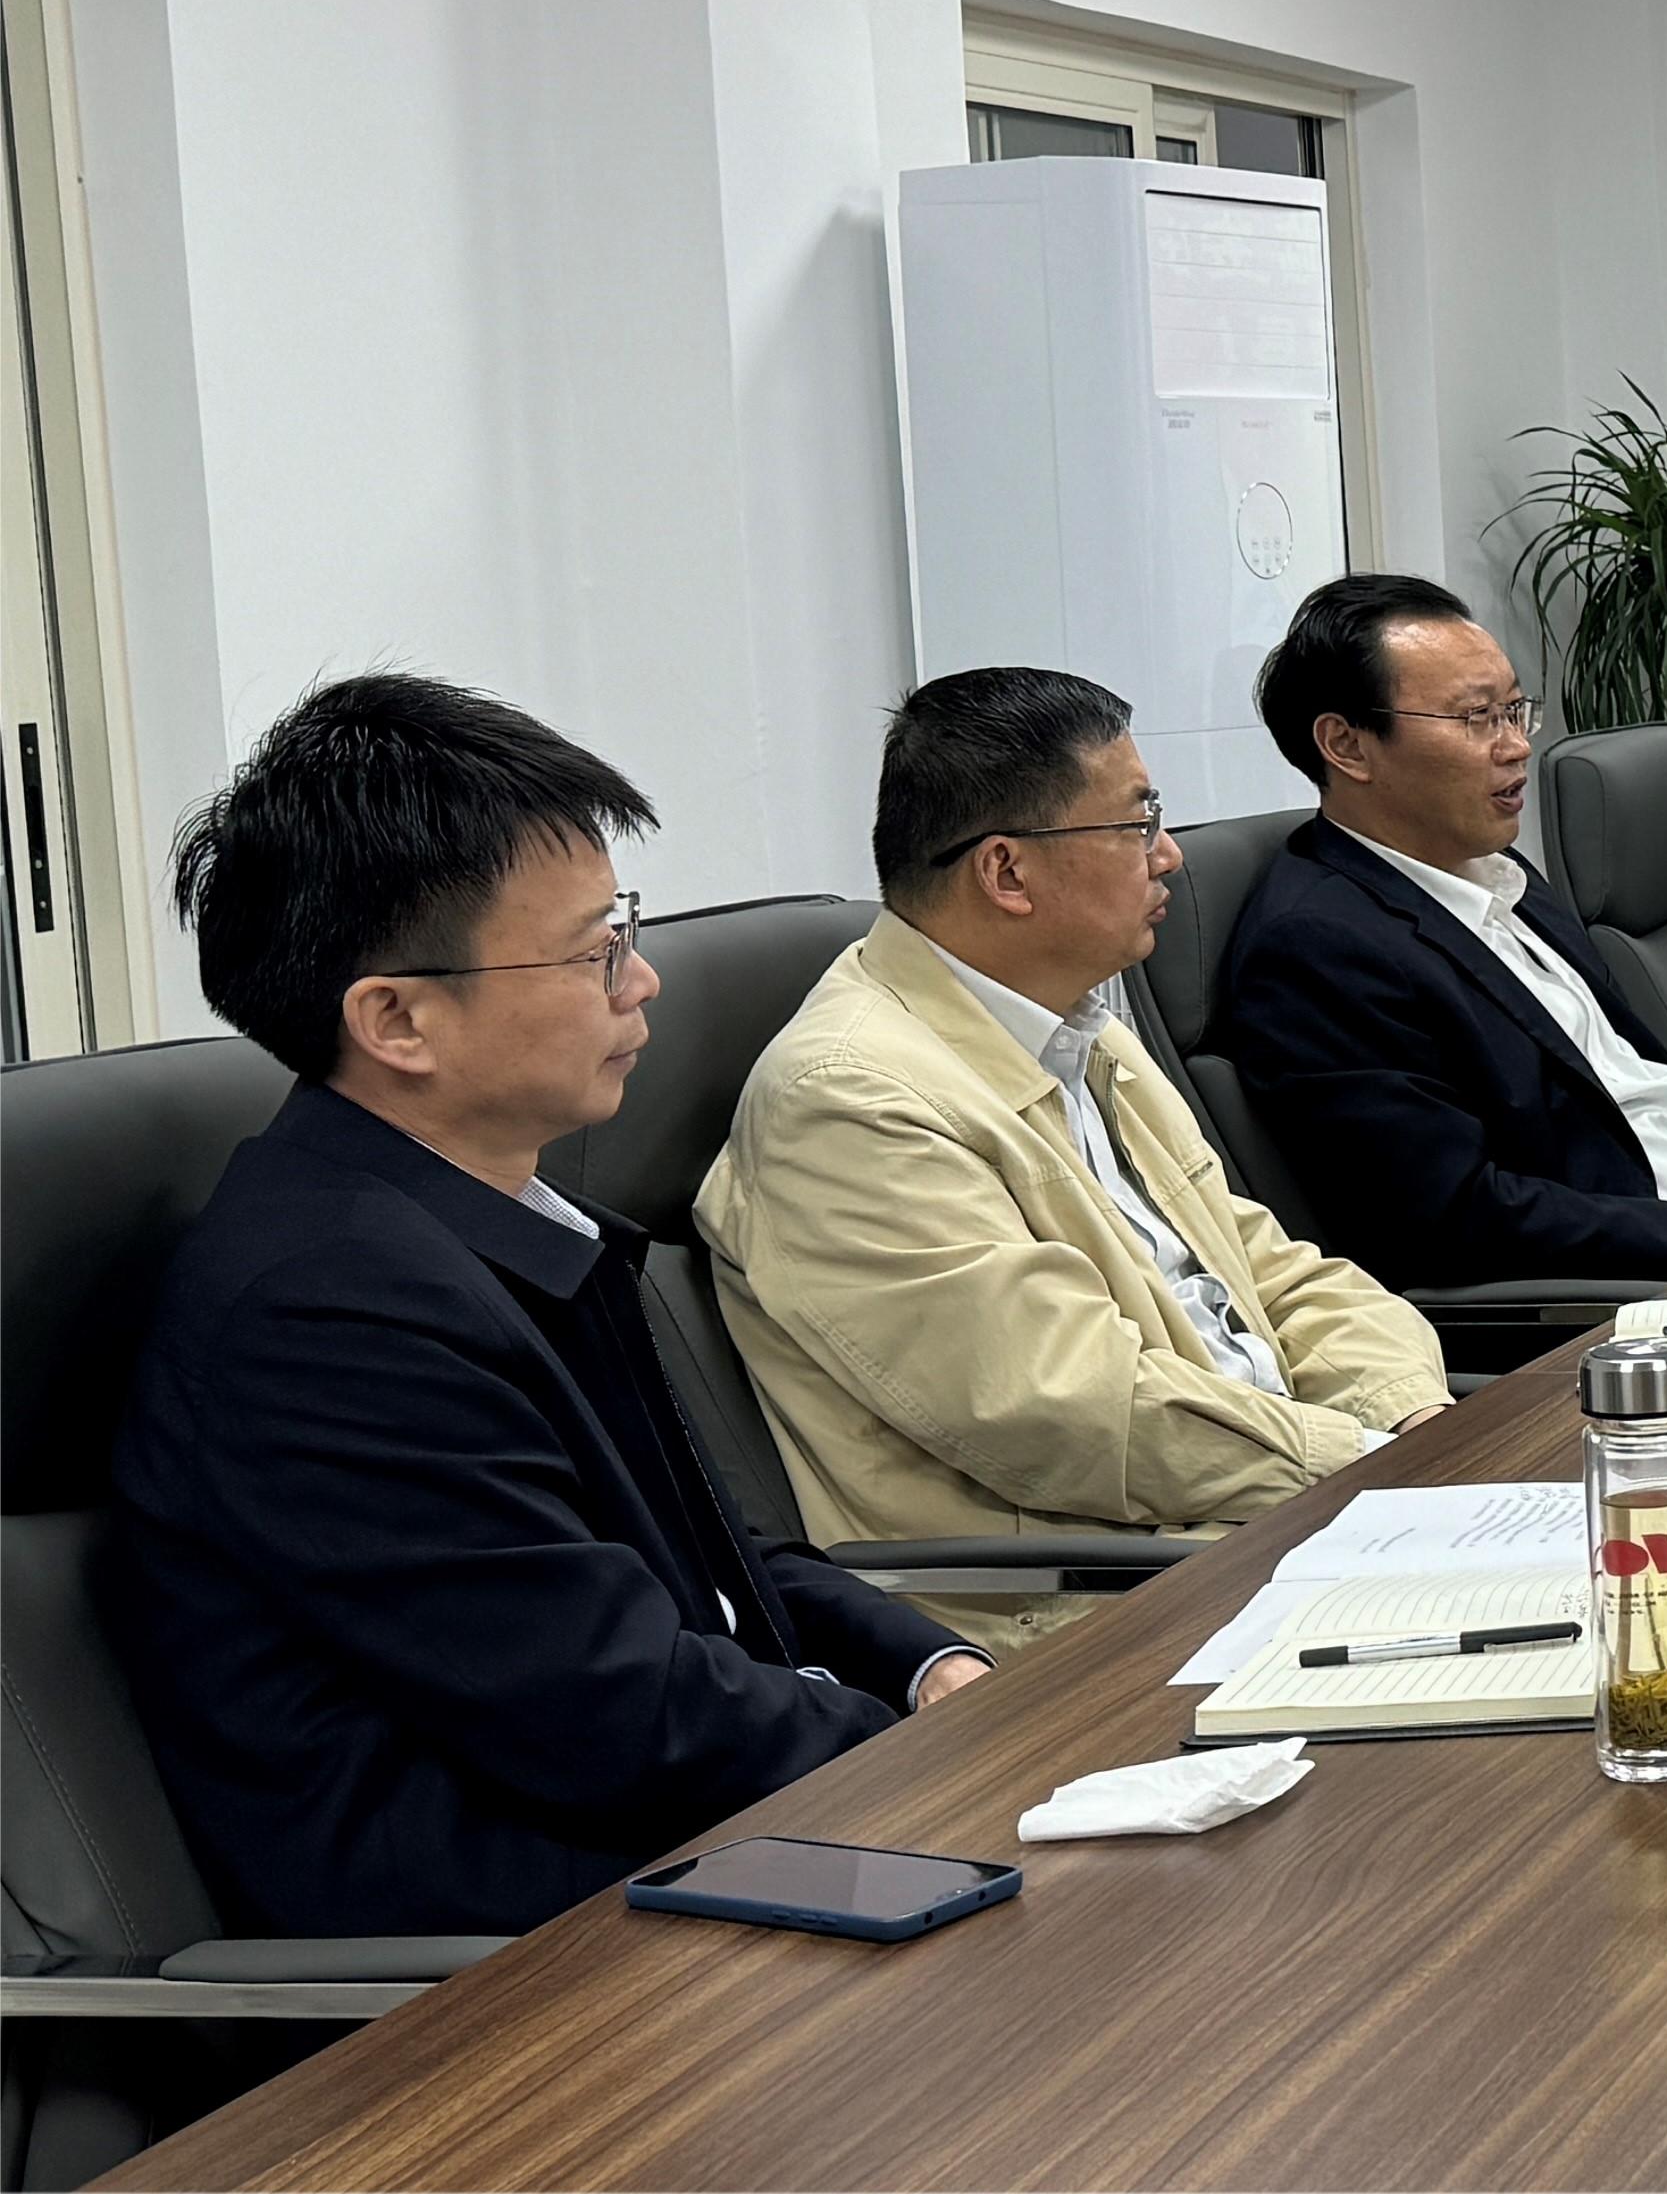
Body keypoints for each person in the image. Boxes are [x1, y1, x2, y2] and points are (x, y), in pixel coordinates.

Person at [105, 676, 983, 1937]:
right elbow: (614, 1712)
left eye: (626, 928)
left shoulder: (495, 1224)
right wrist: (930, 1756)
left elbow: (722, 1560)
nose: (644, 982)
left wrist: (930, 1668)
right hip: (534, 1962)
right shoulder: (328, 1312)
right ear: (397, 1019)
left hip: (693, 1852)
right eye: (594, 951)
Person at [701, 670, 1445, 1644]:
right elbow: (1073, 1410)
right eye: (1138, 824)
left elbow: (1268, 1271)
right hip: (1101, 1607)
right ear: (1007, 873)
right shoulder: (847, 1099)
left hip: (1268, 1520)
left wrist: (1414, 1419)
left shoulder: (1079, 1028)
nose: (1170, 854)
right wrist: (1366, 1461)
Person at [1217, 575, 1667, 1287]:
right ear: (1347, 746)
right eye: (1477, 718)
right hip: (1644, 1292)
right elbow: (1452, 1216)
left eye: (1514, 711)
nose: (1516, 747)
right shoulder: (1318, 948)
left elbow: (1642, 1094)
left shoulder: (1504, 875)